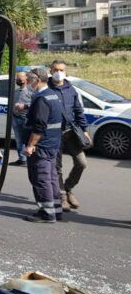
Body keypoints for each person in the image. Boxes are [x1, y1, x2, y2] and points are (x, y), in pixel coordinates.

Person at [22, 68, 64, 223]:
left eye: (28, 79)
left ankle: (46, 213)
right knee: (51, 177)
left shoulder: (42, 99)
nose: (26, 82)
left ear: (37, 80)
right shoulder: (53, 95)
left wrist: (30, 145)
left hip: (42, 146)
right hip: (53, 144)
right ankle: (56, 210)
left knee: (41, 178)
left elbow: (39, 126)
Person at [47, 60, 89, 211]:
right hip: (53, 134)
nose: (59, 72)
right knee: (57, 167)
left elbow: (78, 110)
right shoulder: (46, 88)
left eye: (62, 70)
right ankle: (63, 196)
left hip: (71, 133)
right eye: (56, 69)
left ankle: (69, 187)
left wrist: (84, 130)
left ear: (66, 72)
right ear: (51, 71)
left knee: (81, 163)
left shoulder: (70, 89)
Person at [9, 71, 31, 166]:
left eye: (19, 78)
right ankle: (22, 159)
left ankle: (31, 160)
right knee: (19, 140)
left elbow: (36, 103)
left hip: (26, 119)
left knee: (28, 140)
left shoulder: (31, 91)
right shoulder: (16, 91)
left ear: (26, 79)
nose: (17, 80)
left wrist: (25, 106)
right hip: (16, 118)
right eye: (16, 78)